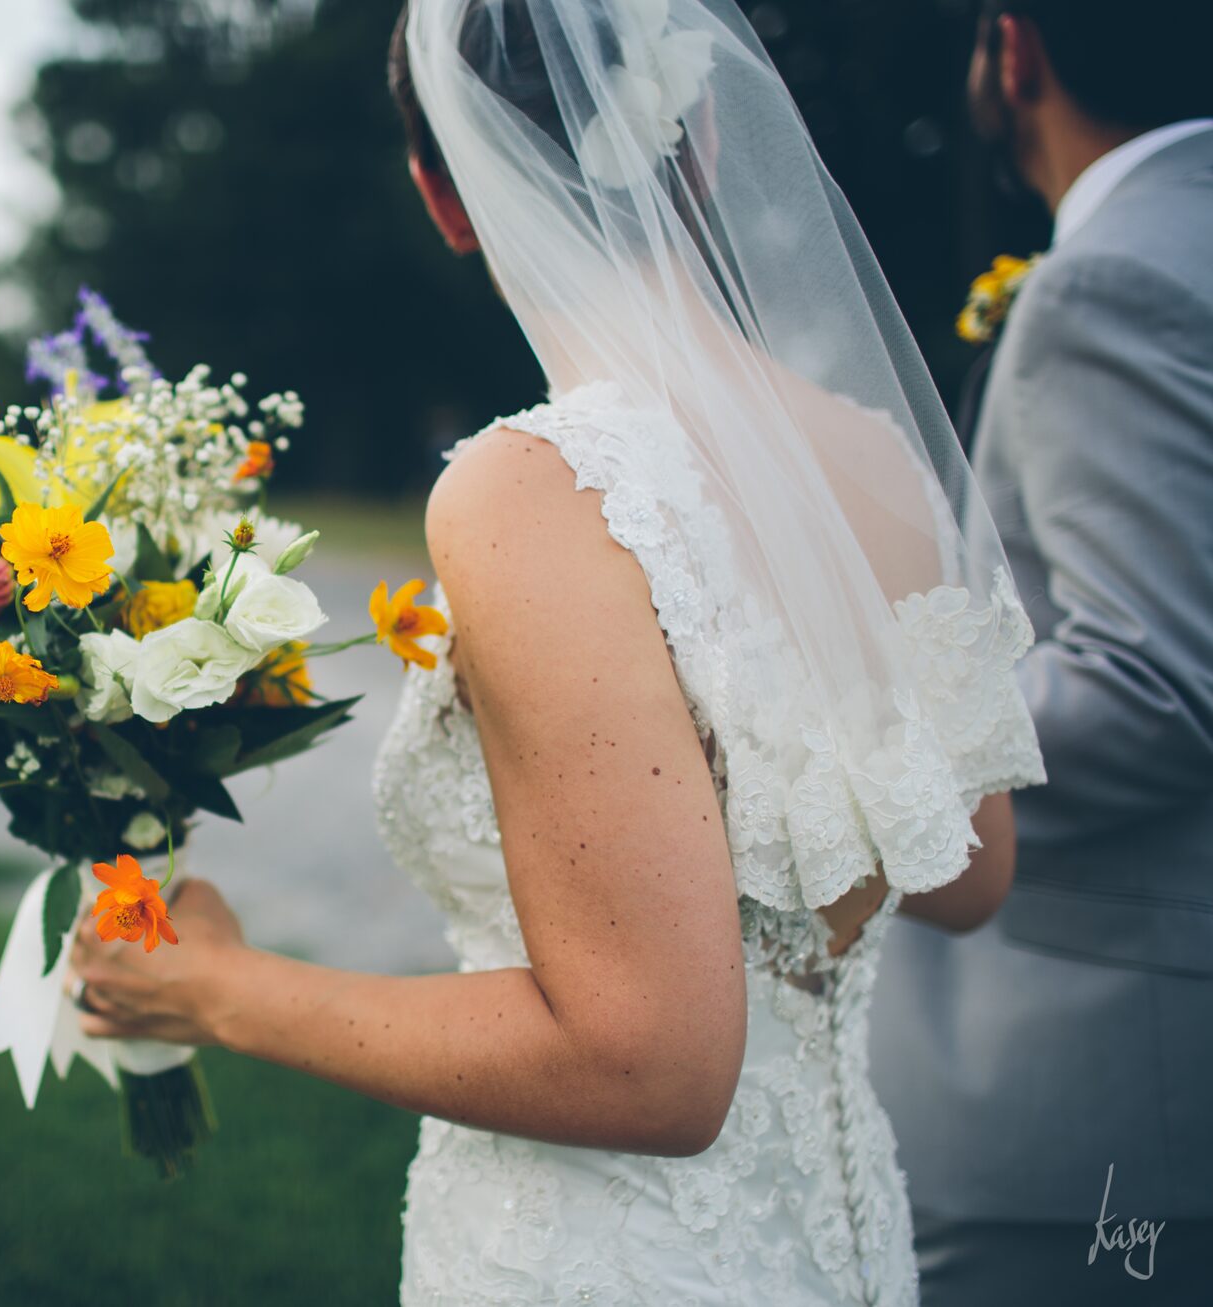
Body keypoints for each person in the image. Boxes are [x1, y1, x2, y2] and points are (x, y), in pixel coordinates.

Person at [67, 1, 1044, 1301]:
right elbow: (972, 875)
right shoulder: (875, 462)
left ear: (444, 193)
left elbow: (651, 1067)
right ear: (704, 135)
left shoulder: (534, 491)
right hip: (846, 1246)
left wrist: (218, 990)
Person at [869, 2, 1213, 1301]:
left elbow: (1153, 687)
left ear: (1014, 50)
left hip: (1108, 1099)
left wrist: (863, 721)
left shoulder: (1115, 275)